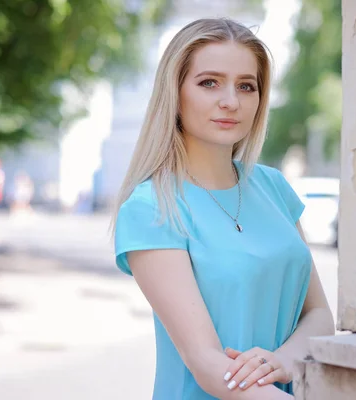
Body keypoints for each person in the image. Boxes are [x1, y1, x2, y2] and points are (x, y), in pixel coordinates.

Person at [111, 18, 334, 399]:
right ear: (175, 92)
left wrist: (279, 362)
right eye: (209, 82)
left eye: (246, 86)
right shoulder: (151, 207)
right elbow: (209, 365)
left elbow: (319, 318)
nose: (231, 101)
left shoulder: (274, 187)